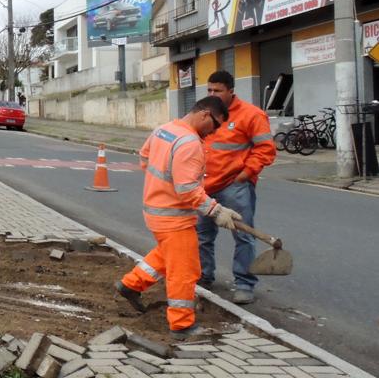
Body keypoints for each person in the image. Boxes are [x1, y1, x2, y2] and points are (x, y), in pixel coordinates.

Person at [114, 96, 242, 340]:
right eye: (215, 125)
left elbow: (144, 159)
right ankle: (182, 325)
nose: (215, 131)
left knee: (166, 255)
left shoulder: (164, 130)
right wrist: (216, 211)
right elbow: (187, 189)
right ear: (205, 114)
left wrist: (162, 185)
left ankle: (130, 285)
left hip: (155, 210)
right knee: (185, 270)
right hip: (174, 217)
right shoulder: (190, 144)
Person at [200, 70, 277, 305]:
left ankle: (244, 284)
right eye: (209, 90)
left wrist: (244, 175)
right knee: (202, 235)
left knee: (243, 235)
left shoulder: (251, 115)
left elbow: (266, 149)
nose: (212, 94)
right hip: (205, 185)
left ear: (231, 91)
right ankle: (204, 277)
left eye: (218, 91)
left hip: (235, 186)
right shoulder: (205, 112)